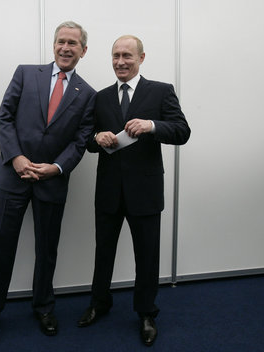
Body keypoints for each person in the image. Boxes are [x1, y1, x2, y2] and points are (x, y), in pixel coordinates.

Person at [0, 21, 96, 347]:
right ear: (54, 44)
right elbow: (4, 117)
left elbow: (80, 140)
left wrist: (55, 168)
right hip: (13, 178)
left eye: (73, 43)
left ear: (83, 50)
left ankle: (43, 307)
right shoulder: (26, 73)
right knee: (1, 248)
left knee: (47, 251)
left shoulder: (87, 94)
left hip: (51, 183)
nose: (66, 48)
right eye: (61, 41)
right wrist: (15, 157)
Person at [77, 35, 190, 346]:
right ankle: (99, 304)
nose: (120, 61)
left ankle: (146, 313)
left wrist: (152, 126)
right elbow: (85, 139)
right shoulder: (99, 97)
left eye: (127, 55)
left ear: (142, 58)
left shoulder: (161, 91)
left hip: (146, 191)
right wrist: (97, 137)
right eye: (115, 55)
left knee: (147, 257)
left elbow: (182, 131)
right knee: (103, 253)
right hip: (109, 191)